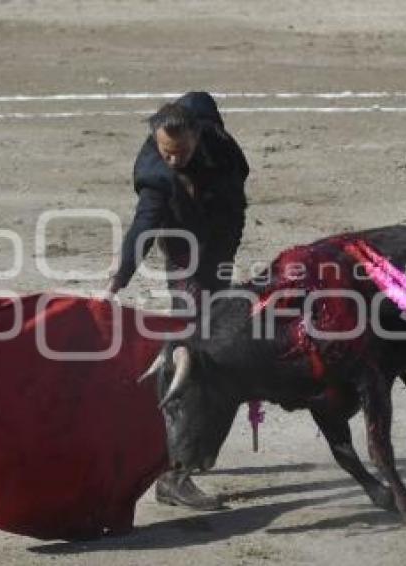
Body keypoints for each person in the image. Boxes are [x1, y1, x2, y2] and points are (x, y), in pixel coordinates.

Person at [105, 91, 249, 510]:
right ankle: (172, 473)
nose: (172, 159)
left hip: (220, 251)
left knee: (215, 342)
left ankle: (192, 450)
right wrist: (117, 279)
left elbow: (200, 99)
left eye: (180, 152)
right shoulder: (156, 176)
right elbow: (144, 229)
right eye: (166, 152)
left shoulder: (216, 139)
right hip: (184, 254)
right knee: (194, 350)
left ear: (197, 136)